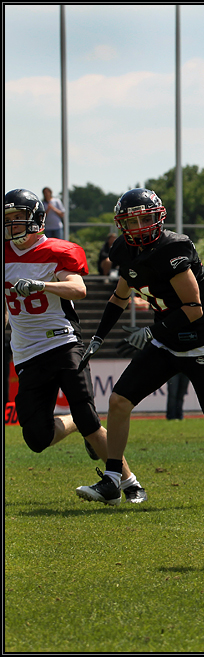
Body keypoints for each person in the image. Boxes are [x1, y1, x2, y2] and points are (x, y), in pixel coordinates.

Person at [74, 188, 204, 506]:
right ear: (121, 224)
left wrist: (150, 329)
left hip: (198, 344)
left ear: (158, 218)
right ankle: (113, 480)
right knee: (119, 401)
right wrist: (98, 337)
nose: (138, 226)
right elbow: (120, 296)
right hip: (164, 343)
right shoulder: (123, 251)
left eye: (144, 218)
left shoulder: (174, 247)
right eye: (132, 220)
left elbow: (194, 308)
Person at [3, 188, 143, 502]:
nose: (12, 224)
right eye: (8, 218)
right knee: (37, 438)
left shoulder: (56, 250)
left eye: (18, 217)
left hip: (62, 343)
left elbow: (78, 290)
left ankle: (130, 483)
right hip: (26, 352)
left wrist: (41, 284)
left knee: (89, 419)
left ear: (36, 218)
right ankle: (74, 425)